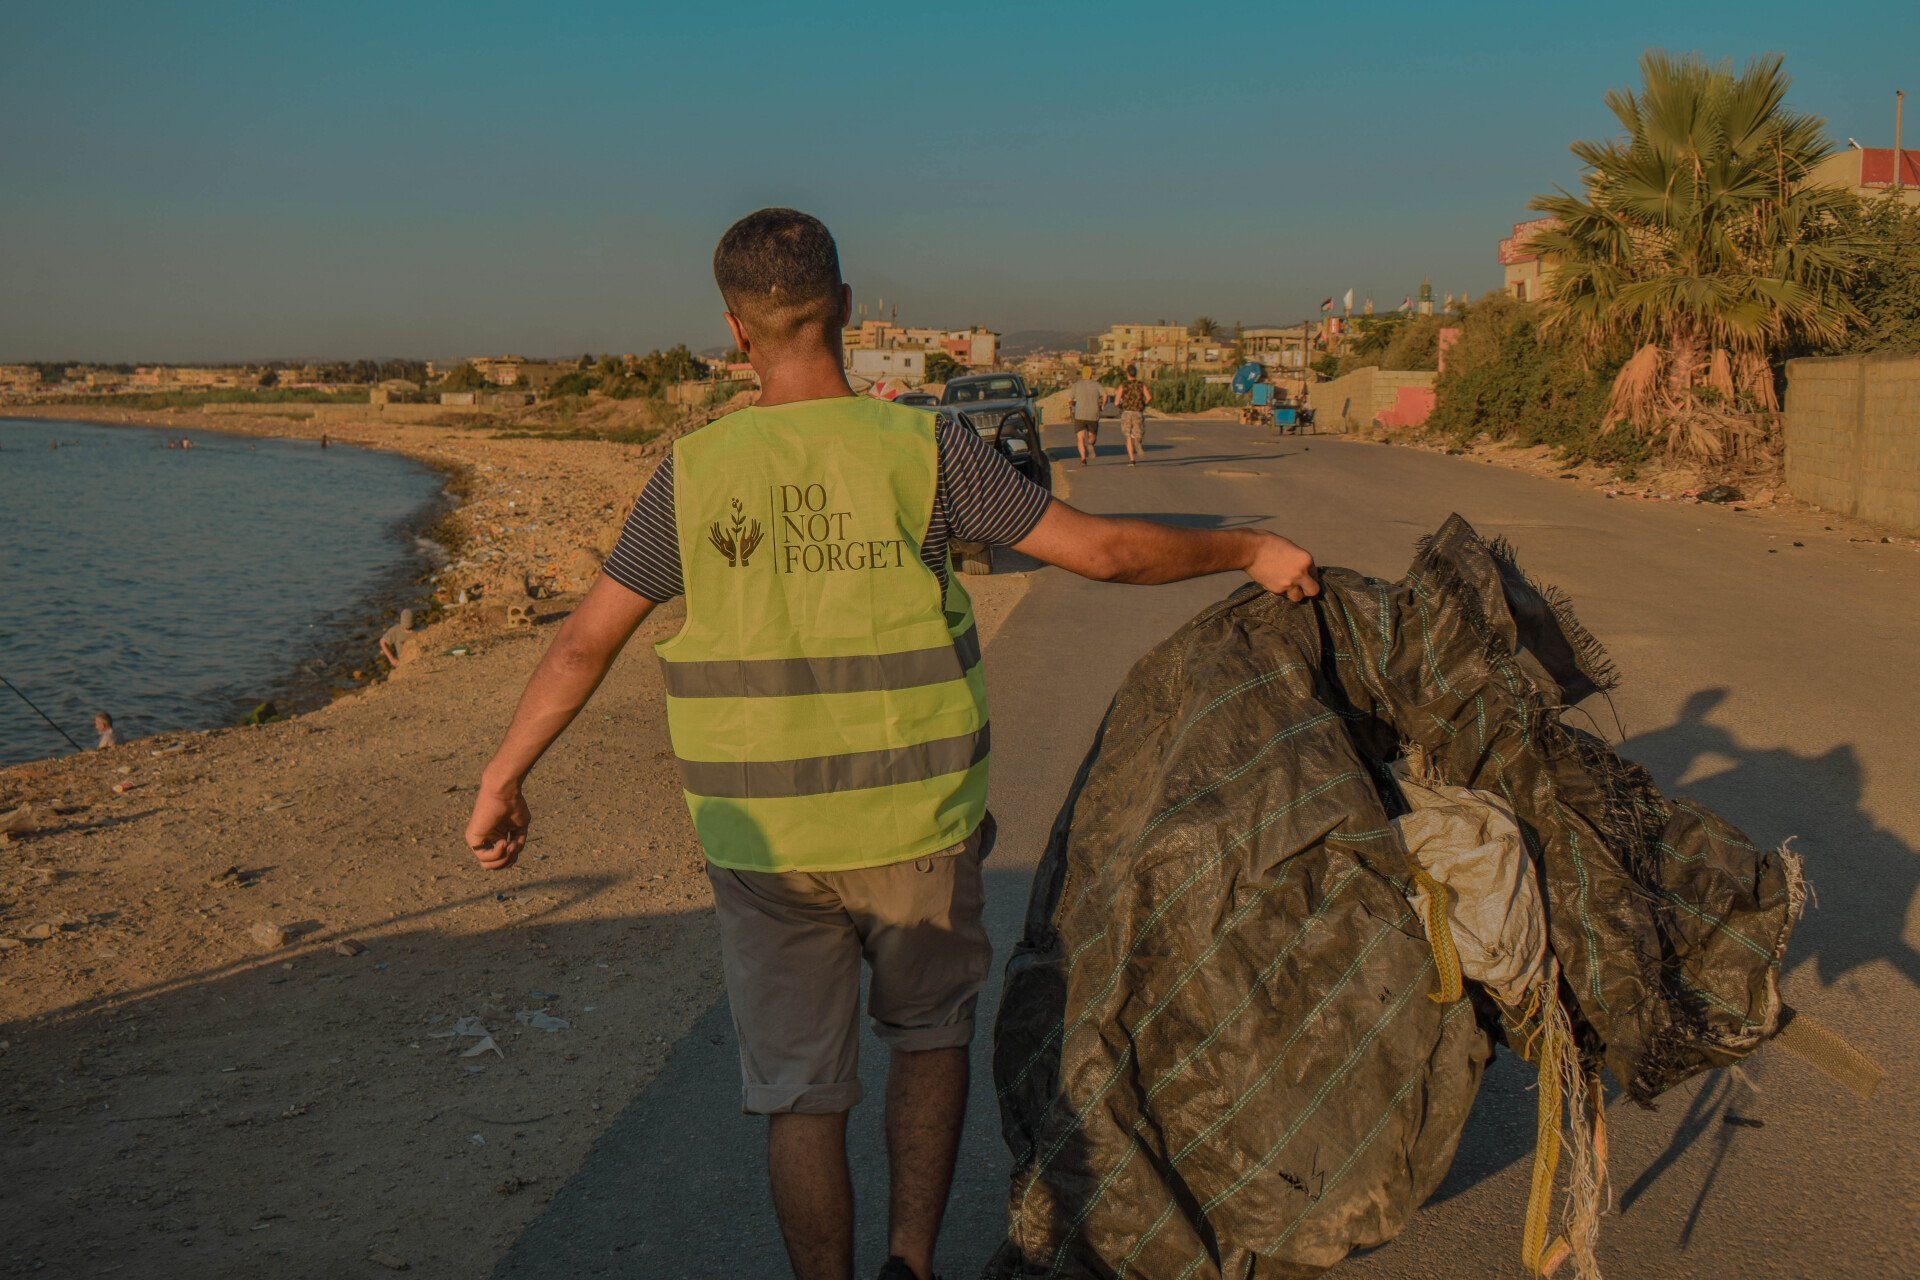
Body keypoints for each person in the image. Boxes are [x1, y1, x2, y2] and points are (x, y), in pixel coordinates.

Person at [462, 208, 1320, 1280]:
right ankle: (911, 1263)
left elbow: (585, 641)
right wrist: (1249, 547)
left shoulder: (693, 474)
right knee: (927, 1040)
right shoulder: (924, 448)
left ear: (735, 331)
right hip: (916, 826)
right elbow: (1097, 551)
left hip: (764, 841)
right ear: (849, 312)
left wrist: (503, 778)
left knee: (799, 1094)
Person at [1066, 368, 1104, 467]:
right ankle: (1090, 444)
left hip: (1079, 415)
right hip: (1093, 414)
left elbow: (1070, 400)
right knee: (1092, 437)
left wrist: (1073, 404)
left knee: (1080, 438)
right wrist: (1103, 405)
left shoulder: (1076, 385)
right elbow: (1105, 395)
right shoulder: (1096, 385)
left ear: (1082, 374)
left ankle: (1083, 459)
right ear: (1091, 374)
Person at [1115, 364, 1151, 465]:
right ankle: (1138, 442)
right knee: (1137, 434)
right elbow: (1148, 397)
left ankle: (1132, 460)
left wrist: (1122, 407)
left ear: (1127, 373)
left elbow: (1116, 402)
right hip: (1137, 412)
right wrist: (1142, 405)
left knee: (1128, 437)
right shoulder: (1141, 384)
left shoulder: (1123, 385)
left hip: (1126, 412)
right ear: (1135, 373)